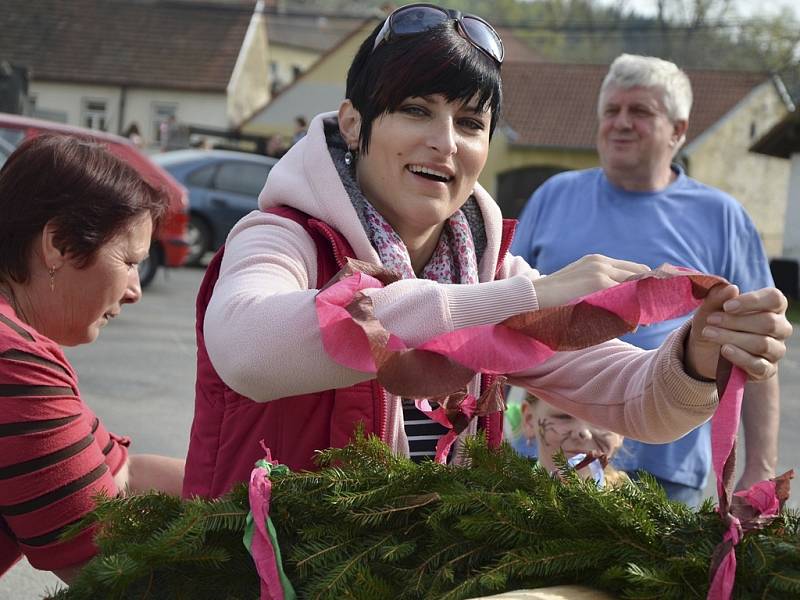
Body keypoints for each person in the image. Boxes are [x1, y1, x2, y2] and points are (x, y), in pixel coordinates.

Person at [182, 4, 791, 500]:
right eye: (415, 110)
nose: (444, 142)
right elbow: (248, 352)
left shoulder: (485, 264)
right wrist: (511, 299)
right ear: (352, 123)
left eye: (471, 123)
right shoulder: (282, 236)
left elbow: (638, 402)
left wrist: (695, 355)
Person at [511, 54, 781, 506]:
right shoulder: (554, 196)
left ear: (678, 131)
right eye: (611, 111)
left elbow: (754, 353)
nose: (620, 123)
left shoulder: (721, 216)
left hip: (666, 468)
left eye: (639, 112)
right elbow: (503, 319)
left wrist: (759, 470)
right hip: (548, 451)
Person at [0, 135, 185, 581]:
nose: (135, 291)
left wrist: (266, 493)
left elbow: (124, 476)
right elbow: (108, 567)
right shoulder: (14, 362)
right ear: (58, 243)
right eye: (128, 260)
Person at [509, 392, 626, 487]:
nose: (584, 432)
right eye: (563, 417)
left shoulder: (631, 510)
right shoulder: (501, 505)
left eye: (600, 419)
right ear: (529, 421)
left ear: (622, 431)